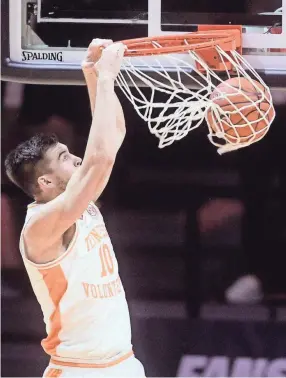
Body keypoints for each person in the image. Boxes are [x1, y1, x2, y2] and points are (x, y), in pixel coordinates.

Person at [4, 39, 145, 378]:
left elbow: (113, 135)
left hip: (123, 362)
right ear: (46, 184)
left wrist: (92, 75)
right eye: (65, 159)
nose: (77, 158)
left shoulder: (81, 197)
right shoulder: (41, 225)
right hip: (81, 370)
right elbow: (101, 158)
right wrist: (108, 77)